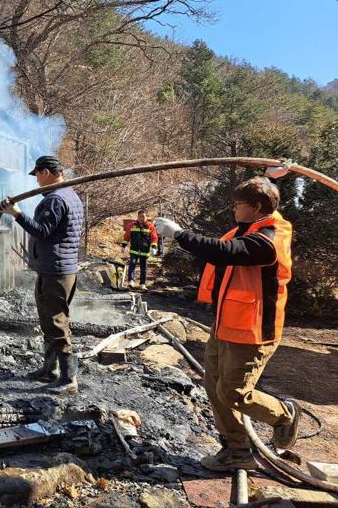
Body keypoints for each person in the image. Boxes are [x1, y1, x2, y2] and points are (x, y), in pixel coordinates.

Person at [154, 176, 301, 472]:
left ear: (256, 206)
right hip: (226, 325)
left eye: (238, 204)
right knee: (213, 385)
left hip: (254, 331)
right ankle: (236, 450)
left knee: (234, 392)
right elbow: (217, 256)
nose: (233, 208)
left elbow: (226, 252)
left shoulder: (271, 237)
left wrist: (179, 234)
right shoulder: (246, 230)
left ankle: (283, 414)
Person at [0, 155, 84, 394]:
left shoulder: (56, 199)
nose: (36, 180)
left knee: (56, 323)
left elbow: (43, 231)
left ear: (46, 172)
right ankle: (50, 370)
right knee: (50, 321)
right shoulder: (70, 195)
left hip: (55, 270)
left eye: (37, 175)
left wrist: (16, 214)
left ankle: (68, 380)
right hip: (60, 268)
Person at [121, 210, 158, 291]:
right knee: (132, 265)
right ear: (137, 217)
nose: (142, 218)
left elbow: (154, 238)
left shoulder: (150, 226)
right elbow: (126, 236)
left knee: (144, 268)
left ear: (146, 217)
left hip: (145, 251)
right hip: (134, 250)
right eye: (140, 216)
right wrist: (123, 246)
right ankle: (131, 281)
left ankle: (142, 284)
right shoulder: (132, 225)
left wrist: (154, 247)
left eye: (144, 216)